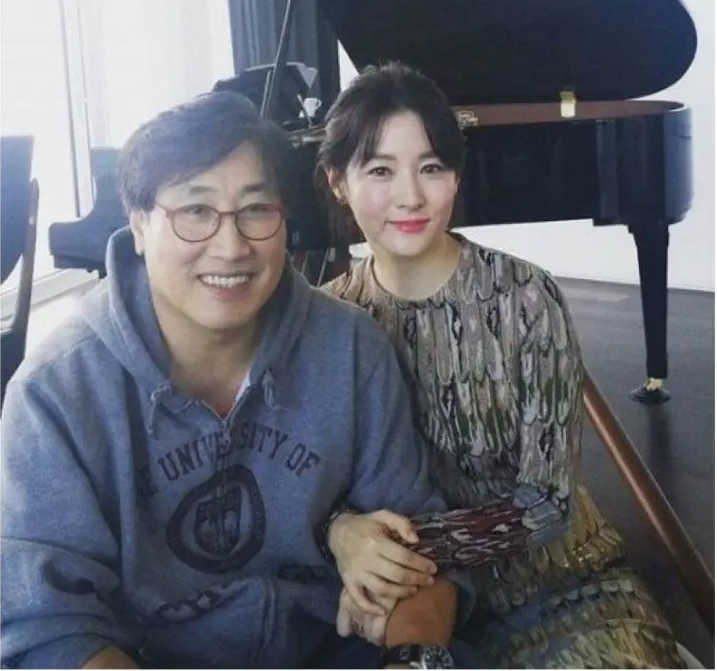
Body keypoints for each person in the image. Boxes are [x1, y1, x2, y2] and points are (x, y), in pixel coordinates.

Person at [0, 90, 480, 669]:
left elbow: (424, 551)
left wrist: (411, 659)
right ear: (139, 223)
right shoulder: (54, 393)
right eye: (195, 212)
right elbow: (51, 629)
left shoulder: (352, 348)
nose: (230, 248)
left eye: (255, 209)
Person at [319, 62, 686, 668]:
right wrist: (340, 531)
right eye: (380, 170)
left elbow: (548, 502)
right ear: (338, 181)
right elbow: (309, 479)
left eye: (431, 167)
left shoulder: (525, 297)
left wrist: (385, 547)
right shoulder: (328, 318)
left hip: (560, 589)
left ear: (456, 175)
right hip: (411, 603)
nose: (410, 195)